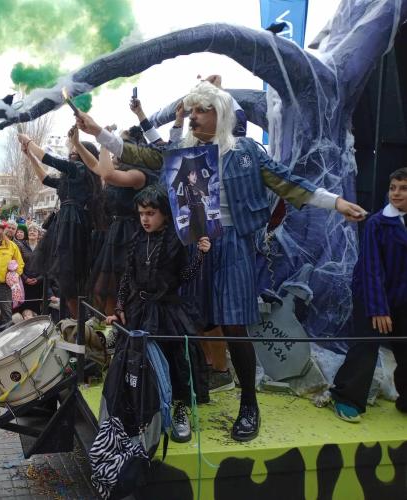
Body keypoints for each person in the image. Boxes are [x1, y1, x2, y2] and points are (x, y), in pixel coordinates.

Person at [78, 80, 366, 441]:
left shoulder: (246, 151)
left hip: (234, 248)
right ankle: (182, 402)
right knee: (183, 329)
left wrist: (335, 202)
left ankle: (249, 404)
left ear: (223, 114)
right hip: (192, 246)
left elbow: (287, 182)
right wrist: (98, 133)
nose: (194, 116)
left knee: (234, 328)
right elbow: (137, 154)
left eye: (203, 110)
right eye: (193, 110)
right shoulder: (184, 151)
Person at [106, 184, 211, 443]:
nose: (145, 219)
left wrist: (200, 256)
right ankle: (140, 409)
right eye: (142, 213)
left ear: (164, 213)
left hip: (168, 311)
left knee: (177, 361)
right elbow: (127, 277)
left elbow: (183, 277)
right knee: (136, 361)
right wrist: (119, 307)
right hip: (139, 311)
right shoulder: (136, 239)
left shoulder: (176, 239)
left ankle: (179, 410)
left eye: (151, 213)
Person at [329, 167, 407, 422]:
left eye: (403, 188)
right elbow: (371, 269)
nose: (396, 193)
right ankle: (347, 397)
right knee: (366, 346)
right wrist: (378, 308)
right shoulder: (378, 223)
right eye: (393, 188)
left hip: (401, 296)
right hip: (371, 295)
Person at [69, 127, 157, 315]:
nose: (114, 145)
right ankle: (112, 327)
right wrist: (77, 144)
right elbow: (95, 166)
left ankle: (124, 326)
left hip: (132, 235)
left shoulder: (139, 174)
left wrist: (103, 141)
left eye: (118, 143)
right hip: (115, 233)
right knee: (103, 289)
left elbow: (107, 174)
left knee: (123, 289)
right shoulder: (120, 170)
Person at [18, 130, 104, 318]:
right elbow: (45, 179)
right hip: (65, 223)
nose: (72, 152)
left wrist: (29, 142)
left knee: (68, 274)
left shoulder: (80, 169)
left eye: (76, 150)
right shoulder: (71, 176)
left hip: (72, 224)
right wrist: (30, 155)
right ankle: (75, 319)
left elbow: (50, 160)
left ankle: (79, 320)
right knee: (64, 275)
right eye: (72, 150)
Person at [17, 223, 43, 315]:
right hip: (25, 282)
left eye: (34, 231)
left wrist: (38, 279)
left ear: (38, 234)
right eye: (30, 230)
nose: (32, 232)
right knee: (25, 306)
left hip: (38, 282)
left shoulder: (43, 247)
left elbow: (46, 265)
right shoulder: (21, 246)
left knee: (36, 307)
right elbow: (18, 263)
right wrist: (25, 278)